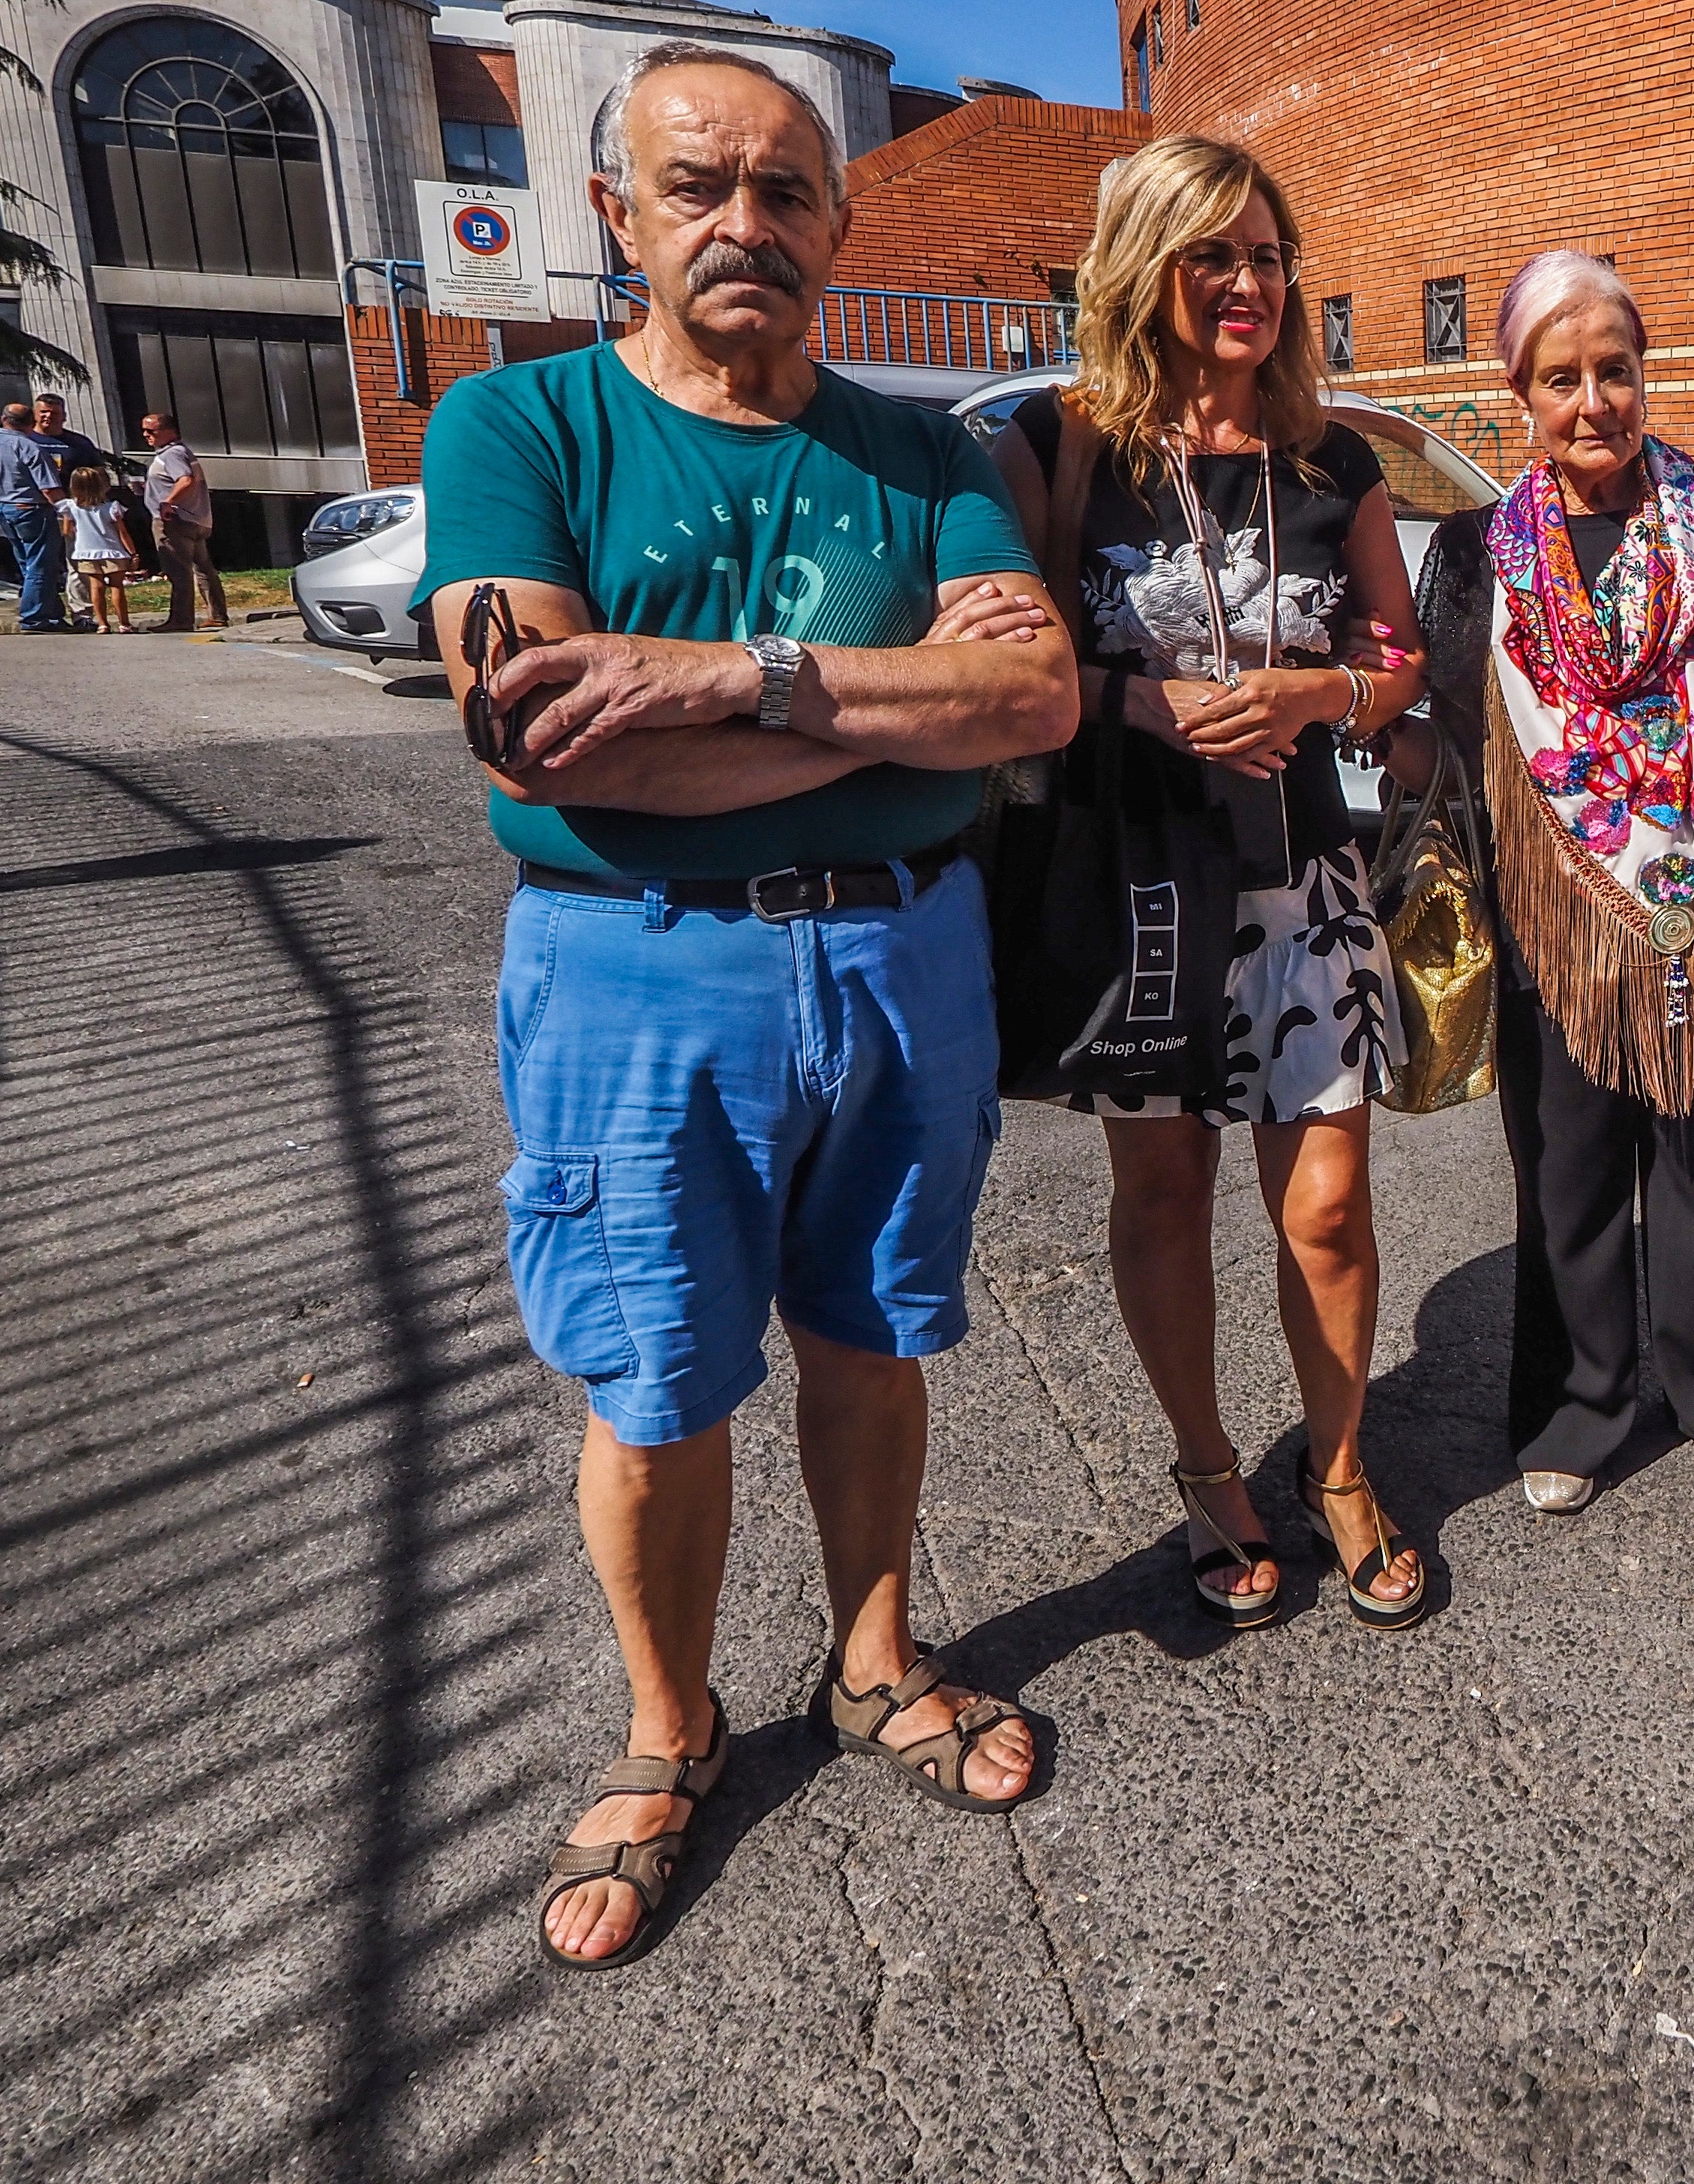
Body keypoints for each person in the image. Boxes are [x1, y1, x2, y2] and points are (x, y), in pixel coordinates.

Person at [418, 40, 1074, 1972]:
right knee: (656, 1381)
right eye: (697, 187)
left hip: (898, 961)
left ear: (840, 226)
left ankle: (870, 1666)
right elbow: (547, 749)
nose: (743, 224)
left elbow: (1028, 708)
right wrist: (883, 719)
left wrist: (713, 684)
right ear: (615, 216)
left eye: (786, 192)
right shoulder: (517, 429)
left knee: (874, 1339)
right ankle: (667, 1729)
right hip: (635, 976)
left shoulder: (926, 452)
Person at [973, 135, 1434, 1631]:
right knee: (1161, 1187)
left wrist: (1317, 697)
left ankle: (1344, 1465)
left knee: (1330, 1205)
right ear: (1146, 265)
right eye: (1211, 253)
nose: (1246, 283)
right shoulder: (1063, 447)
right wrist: (1145, 707)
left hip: (1302, 879)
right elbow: (1010, 668)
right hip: (1135, 886)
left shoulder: (1331, 458)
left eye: (1267, 255)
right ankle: (1207, 1469)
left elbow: (1396, 658)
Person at [1414, 251, 1694, 1514]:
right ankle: (1577, 1401)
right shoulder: (1474, 556)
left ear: (1644, 372)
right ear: (1519, 389)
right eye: (1562, 377)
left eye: (1616, 369)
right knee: (1564, 1167)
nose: (1594, 399)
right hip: (1551, 912)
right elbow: (1447, 735)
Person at [140, 412, 225, 632]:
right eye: (144, 431)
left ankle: (181, 619)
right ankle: (217, 615)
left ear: (170, 431)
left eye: (152, 431)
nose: (146, 435)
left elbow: (185, 479)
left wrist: (168, 501)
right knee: (203, 568)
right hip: (197, 519)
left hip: (175, 520)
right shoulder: (183, 451)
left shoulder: (171, 454)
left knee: (179, 571)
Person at [31, 393, 107, 626]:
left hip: (76, 514)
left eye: (54, 413)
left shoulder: (79, 444)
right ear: (35, 413)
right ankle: (48, 614)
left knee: (77, 563)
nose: (48, 416)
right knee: (41, 565)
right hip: (36, 512)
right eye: (43, 411)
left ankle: (82, 615)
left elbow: (99, 475)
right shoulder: (25, 441)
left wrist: (92, 504)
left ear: (64, 416)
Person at [1, 401, 66, 633]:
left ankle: (52, 615)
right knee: (41, 565)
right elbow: (49, 487)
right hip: (31, 509)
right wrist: (68, 509)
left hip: (5, 510)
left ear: (3, 419)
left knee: (27, 565)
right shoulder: (29, 446)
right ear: (32, 423)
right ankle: (34, 618)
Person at [62, 466, 136, 632]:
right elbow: (123, 532)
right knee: (117, 586)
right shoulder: (112, 507)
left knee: (96, 587)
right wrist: (133, 553)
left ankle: (103, 624)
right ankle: (124, 623)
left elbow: (67, 531)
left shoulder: (70, 508)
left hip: (86, 551)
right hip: (113, 551)